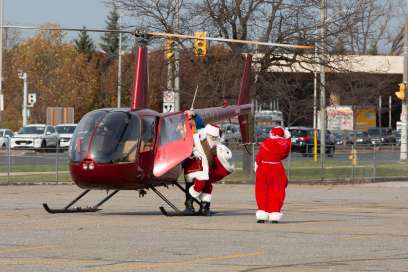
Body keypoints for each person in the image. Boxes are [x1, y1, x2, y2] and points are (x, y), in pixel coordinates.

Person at [183, 116, 234, 215]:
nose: (214, 139)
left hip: (208, 170)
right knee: (197, 184)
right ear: (207, 134)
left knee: (208, 188)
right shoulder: (199, 141)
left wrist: (224, 155)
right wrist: (191, 120)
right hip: (196, 169)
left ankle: (205, 207)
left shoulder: (215, 146)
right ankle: (190, 204)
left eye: (215, 137)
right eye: (212, 137)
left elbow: (221, 155)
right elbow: (193, 133)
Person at [254, 126, 291, 223]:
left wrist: (257, 164)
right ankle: (274, 214)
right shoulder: (284, 144)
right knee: (277, 192)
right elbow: (286, 153)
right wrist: (288, 138)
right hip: (277, 169)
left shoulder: (266, 142)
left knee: (262, 191)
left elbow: (259, 156)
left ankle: (262, 214)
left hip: (264, 168)